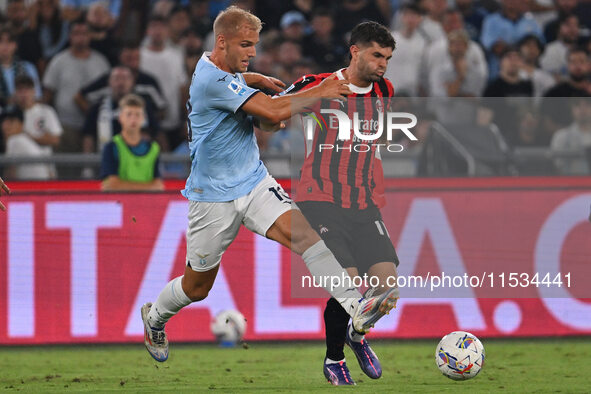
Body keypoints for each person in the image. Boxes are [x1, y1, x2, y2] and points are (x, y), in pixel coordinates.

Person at [140, 6, 398, 364]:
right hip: (212, 198)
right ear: (221, 41)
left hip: (255, 183)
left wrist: (254, 78)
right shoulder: (210, 80)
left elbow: (243, 91)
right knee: (196, 287)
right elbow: (273, 114)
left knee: (309, 237)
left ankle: (357, 307)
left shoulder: (220, 72)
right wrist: (321, 90)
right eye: (245, 45)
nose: (252, 52)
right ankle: (154, 318)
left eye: (255, 45)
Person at [284, 21, 400, 386]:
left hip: (363, 204)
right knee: (347, 284)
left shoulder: (384, 90)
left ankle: (357, 336)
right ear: (355, 51)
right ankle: (334, 360)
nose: (383, 64)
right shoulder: (318, 85)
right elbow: (272, 108)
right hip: (320, 200)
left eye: (388, 57)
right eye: (377, 55)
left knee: (387, 289)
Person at [43, 18, 110, 152]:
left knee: (92, 170)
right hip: (66, 126)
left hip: (95, 127)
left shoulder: (101, 62)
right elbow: (47, 95)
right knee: (66, 170)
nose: (80, 37)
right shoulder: (58, 61)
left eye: (84, 33)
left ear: (90, 36)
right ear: (70, 36)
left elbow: (108, 93)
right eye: (76, 33)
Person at [100, 93, 163, 191]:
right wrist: (149, 187)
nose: (133, 119)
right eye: (129, 114)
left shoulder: (153, 148)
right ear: (120, 117)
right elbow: (112, 185)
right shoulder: (112, 147)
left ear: (143, 118)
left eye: (137, 114)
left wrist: (122, 186)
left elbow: (159, 185)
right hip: (120, 204)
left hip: (146, 205)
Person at [1, 105, 54, 180]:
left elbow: (10, 174)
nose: (5, 126)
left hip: (32, 187)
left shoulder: (15, 140)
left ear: (21, 124)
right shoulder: (27, 140)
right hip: (40, 185)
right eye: (3, 121)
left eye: (11, 121)